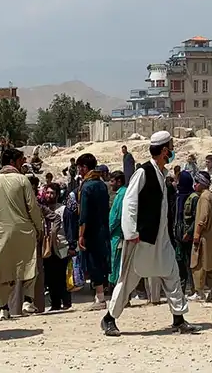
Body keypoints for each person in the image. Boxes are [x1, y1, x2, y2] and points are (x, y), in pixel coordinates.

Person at [102, 131, 196, 336]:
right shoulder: (143, 172)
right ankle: (109, 318)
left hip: (160, 238)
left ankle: (179, 318)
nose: (172, 151)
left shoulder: (161, 174)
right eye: (170, 147)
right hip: (141, 238)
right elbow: (130, 201)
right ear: (164, 151)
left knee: (171, 274)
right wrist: (131, 231)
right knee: (128, 280)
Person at [0, 147, 44, 318]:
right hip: (23, 230)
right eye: (20, 161)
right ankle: (28, 301)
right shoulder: (22, 180)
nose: (22, 164)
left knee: (2, 270)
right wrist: (39, 227)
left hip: (0, 233)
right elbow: (32, 207)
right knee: (29, 265)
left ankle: (3, 308)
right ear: (12, 162)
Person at [77, 154, 111, 310]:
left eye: (80, 167)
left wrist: (81, 234)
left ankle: (100, 297)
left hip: (91, 230)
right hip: (103, 228)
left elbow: (84, 214)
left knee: (93, 263)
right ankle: (101, 296)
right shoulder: (102, 184)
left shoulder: (87, 187)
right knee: (101, 261)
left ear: (85, 167)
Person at [188, 171, 212, 302]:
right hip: (211, 238)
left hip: (203, 237)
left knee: (198, 264)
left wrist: (196, 233)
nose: (195, 185)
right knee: (211, 265)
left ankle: (199, 292)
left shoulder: (204, 197)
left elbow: (203, 217)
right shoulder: (210, 196)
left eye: (197, 182)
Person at [42, 183, 73, 311]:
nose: (49, 195)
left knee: (62, 276)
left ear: (57, 194)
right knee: (50, 276)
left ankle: (66, 302)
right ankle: (55, 303)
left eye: (52, 193)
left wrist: (72, 246)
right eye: (47, 193)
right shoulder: (42, 210)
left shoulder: (64, 210)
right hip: (47, 247)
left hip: (61, 246)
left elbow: (70, 229)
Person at [108, 170, 128, 286]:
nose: (110, 184)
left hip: (117, 234)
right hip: (119, 233)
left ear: (119, 182)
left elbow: (116, 217)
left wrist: (108, 231)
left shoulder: (121, 195)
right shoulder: (123, 192)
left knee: (115, 262)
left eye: (112, 181)